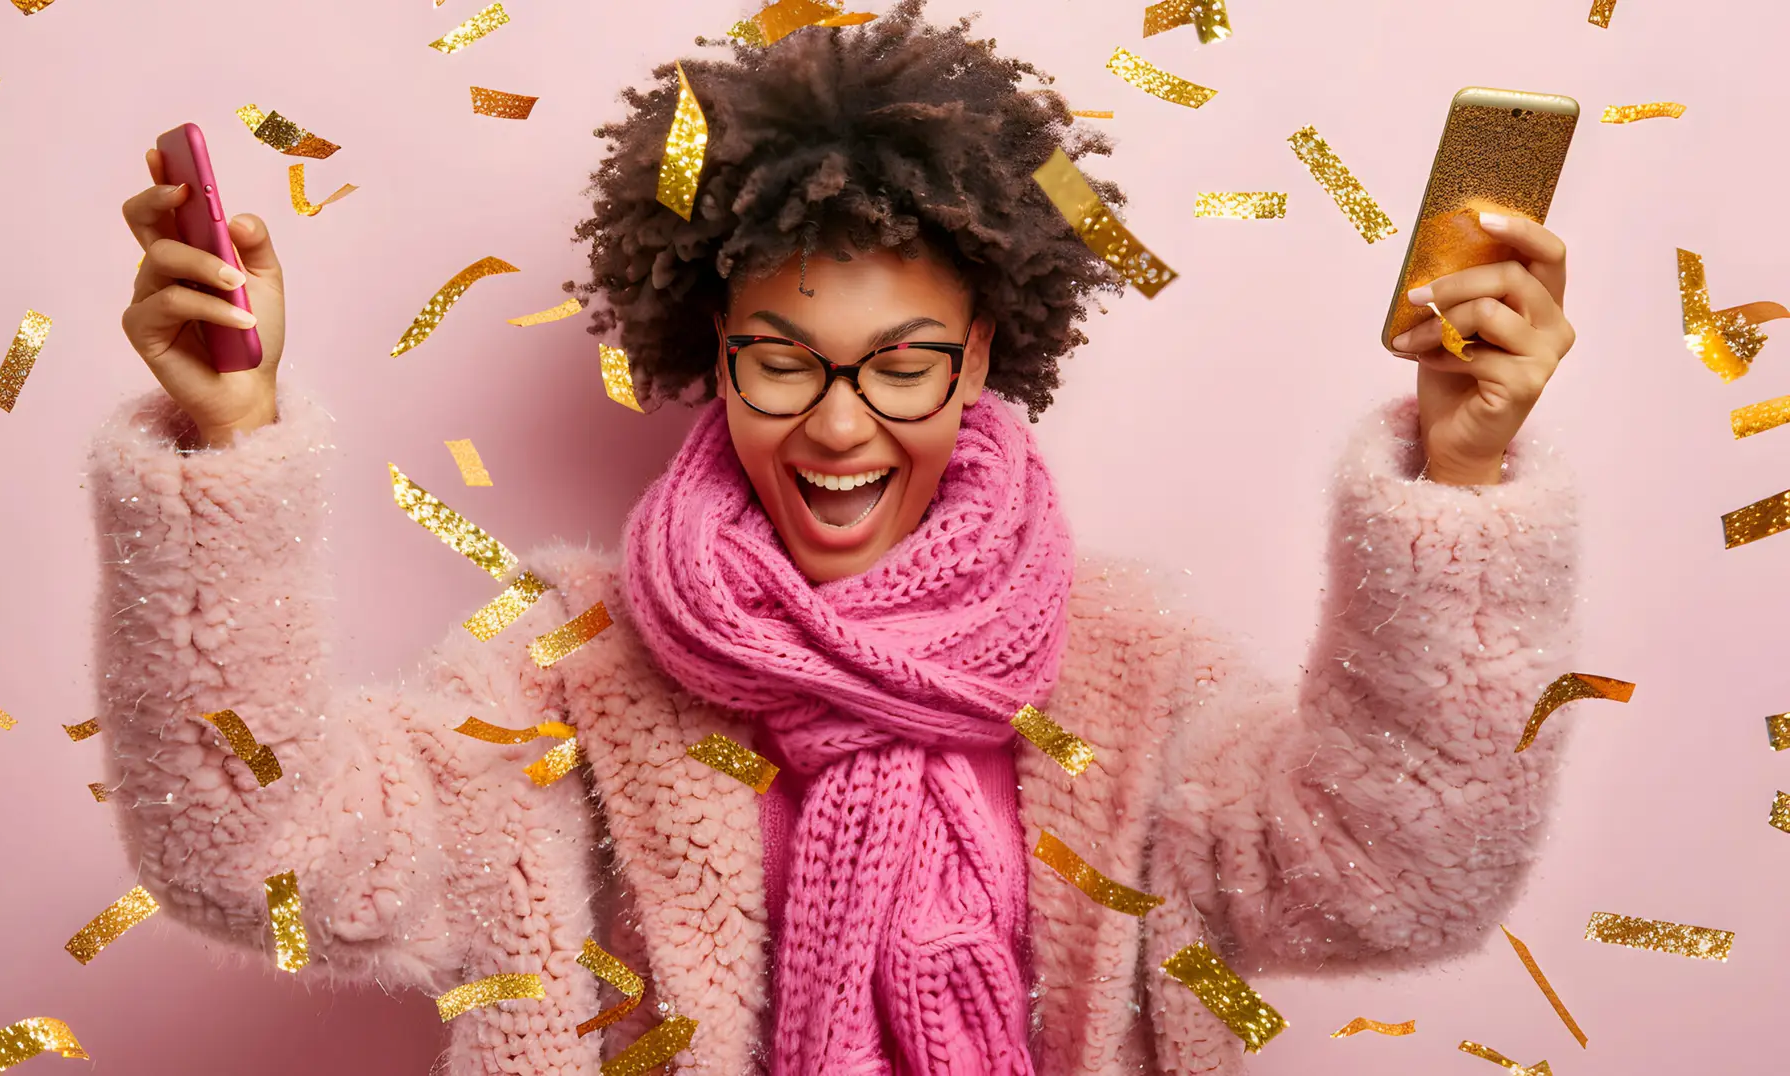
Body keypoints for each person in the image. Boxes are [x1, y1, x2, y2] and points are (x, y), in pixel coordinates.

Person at [91, 5, 1581, 1074]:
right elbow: (260, 860)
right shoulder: (565, 675)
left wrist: (1459, 483)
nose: (841, 427)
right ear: (711, 347)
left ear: (988, 351)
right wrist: (227, 452)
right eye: (782, 358)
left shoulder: (1130, 673)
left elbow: (1394, 878)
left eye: (902, 361)